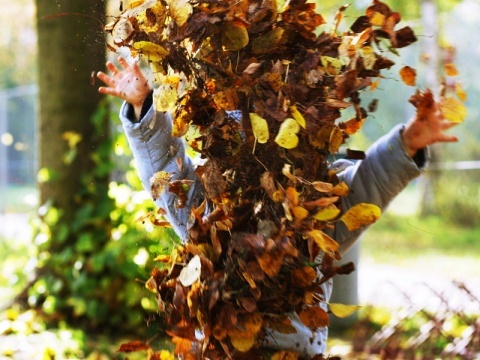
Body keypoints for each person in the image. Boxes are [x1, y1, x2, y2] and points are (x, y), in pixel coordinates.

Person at [97, 57, 458, 358]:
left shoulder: (313, 214)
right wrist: (144, 107)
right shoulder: (206, 215)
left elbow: (369, 184)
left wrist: (407, 143)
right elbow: (163, 169)